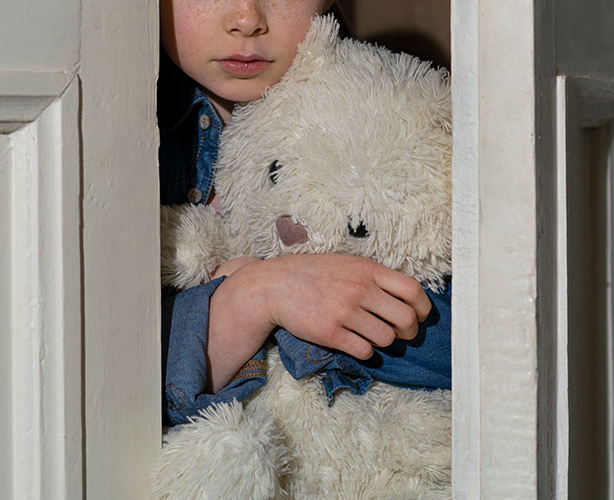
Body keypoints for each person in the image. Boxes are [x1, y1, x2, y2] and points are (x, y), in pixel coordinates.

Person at [159, 0, 448, 426]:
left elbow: (485, 349)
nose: (246, 19)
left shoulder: (393, 110)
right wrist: (257, 296)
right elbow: (93, 378)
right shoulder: (103, 131)